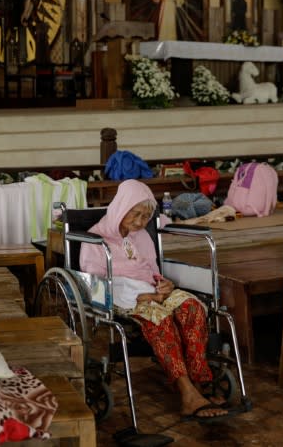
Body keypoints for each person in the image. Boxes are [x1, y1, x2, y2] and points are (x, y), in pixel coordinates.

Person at [79, 180, 229, 422]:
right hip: (125, 297)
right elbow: (95, 284)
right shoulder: (95, 240)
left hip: (152, 290)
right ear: (121, 207)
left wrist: (163, 282)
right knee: (161, 319)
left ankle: (199, 381)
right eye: (135, 214)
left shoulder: (141, 236)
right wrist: (143, 296)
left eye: (145, 217)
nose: (140, 222)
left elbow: (151, 269)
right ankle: (187, 393)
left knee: (192, 308)